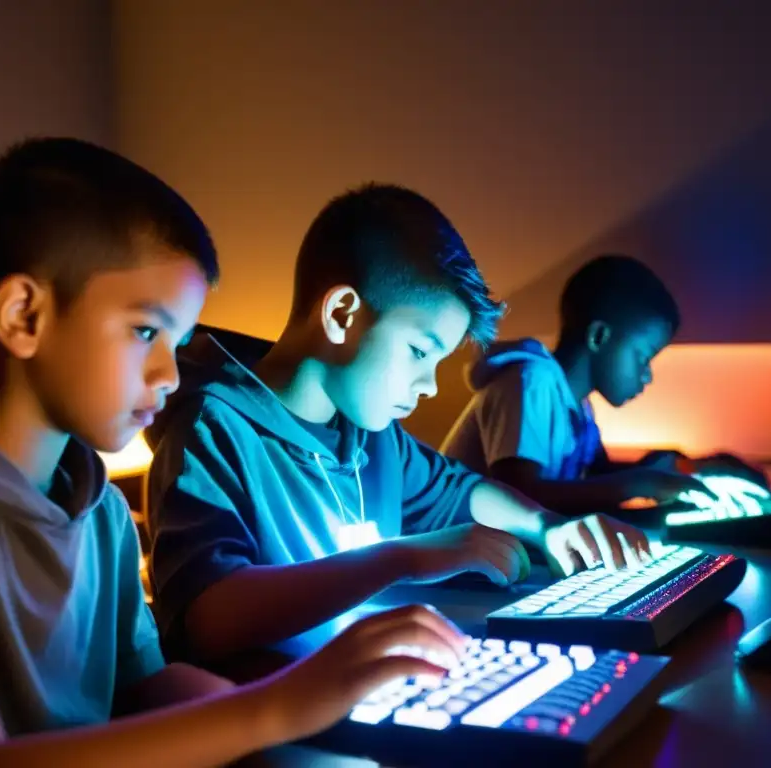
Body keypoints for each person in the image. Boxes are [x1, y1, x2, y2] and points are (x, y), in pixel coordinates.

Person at [0, 137, 465, 768]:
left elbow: (144, 686)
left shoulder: (95, 505)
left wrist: (307, 715)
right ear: (23, 316)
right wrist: (277, 708)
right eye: (146, 331)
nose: (171, 373)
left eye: (176, 340)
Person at [145, 184, 652, 670]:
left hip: (353, 695)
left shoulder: (373, 436)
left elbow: (462, 490)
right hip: (257, 722)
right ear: (343, 314)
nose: (429, 385)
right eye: (418, 352)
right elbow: (207, 617)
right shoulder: (211, 431)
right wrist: (401, 557)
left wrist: (548, 527)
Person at [440, 254, 740, 516]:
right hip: (453, 563)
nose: (646, 376)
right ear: (599, 337)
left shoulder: (579, 407)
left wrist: (663, 468)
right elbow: (517, 493)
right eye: (643, 357)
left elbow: (594, 479)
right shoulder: (531, 382)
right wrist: (638, 483)